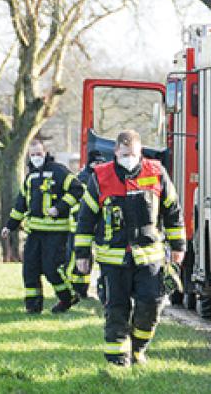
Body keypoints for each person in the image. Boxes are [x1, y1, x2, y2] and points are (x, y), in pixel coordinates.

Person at [74, 130, 184, 366]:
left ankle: (138, 349)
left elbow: (173, 211)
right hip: (113, 260)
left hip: (149, 258)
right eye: (124, 154)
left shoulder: (156, 173)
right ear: (115, 152)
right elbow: (85, 219)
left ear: (140, 151)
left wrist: (178, 246)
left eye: (132, 154)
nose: (128, 158)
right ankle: (117, 361)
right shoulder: (100, 177)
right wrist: (82, 255)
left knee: (151, 305)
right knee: (116, 310)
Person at [1, 138, 85, 314]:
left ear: (45, 153)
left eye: (39, 153)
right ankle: (33, 307)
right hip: (35, 232)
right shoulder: (30, 177)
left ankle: (67, 297)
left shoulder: (59, 171)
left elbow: (77, 189)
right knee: (29, 270)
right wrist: (10, 226)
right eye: (33, 155)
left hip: (56, 232)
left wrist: (59, 207)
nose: (36, 157)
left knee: (51, 269)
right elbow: (21, 204)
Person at [64, 150, 106, 299]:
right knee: (74, 260)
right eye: (96, 162)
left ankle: (82, 291)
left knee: (88, 259)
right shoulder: (82, 179)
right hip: (78, 226)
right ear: (90, 164)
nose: (99, 165)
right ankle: (72, 290)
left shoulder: (101, 178)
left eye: (102, 162)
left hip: (95, 227)